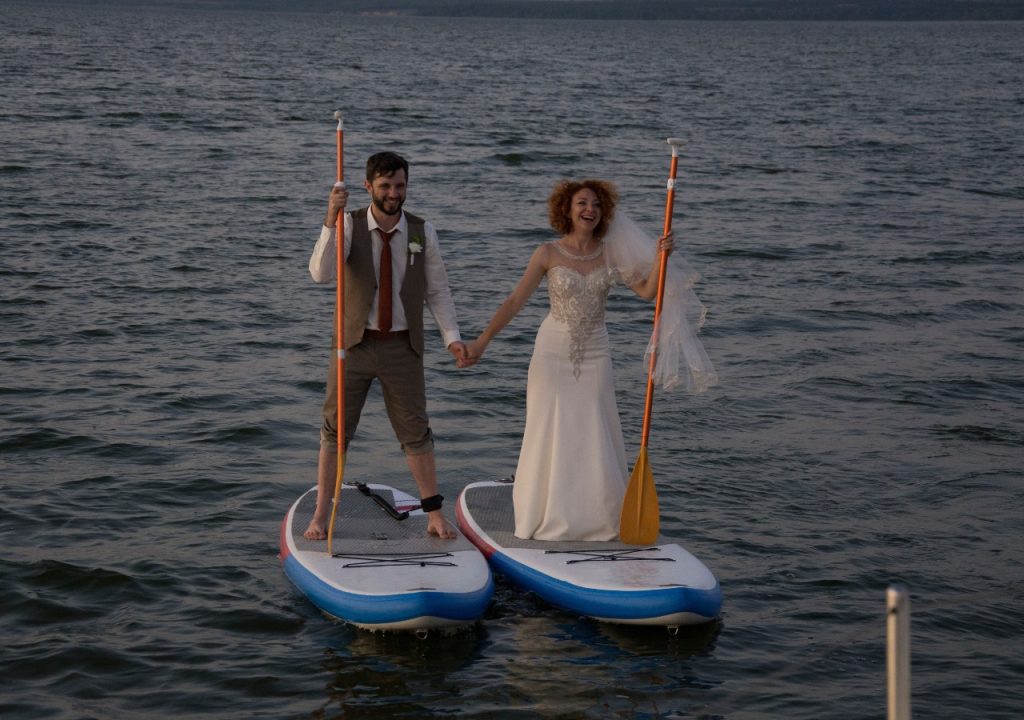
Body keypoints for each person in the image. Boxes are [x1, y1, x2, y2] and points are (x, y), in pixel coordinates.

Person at [464, 179, 717, 541]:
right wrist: (482, 342)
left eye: (596, 205)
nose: (590, 210)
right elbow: (514, 302)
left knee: (594, 427)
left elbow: (647, 293)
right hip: (551, 352)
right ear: (566, 209)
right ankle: (542, 515)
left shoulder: (611, 253)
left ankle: (597, 519)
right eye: (582, 203)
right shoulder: (547, 253)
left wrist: (661, 259)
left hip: (596, 350)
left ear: (604, 213)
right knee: (548, 427)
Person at [305, 151, 470, 541]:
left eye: (399, 186)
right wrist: (330, 219)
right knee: (335, 432)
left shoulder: (421, 231)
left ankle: (433, 513)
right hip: (353, 345)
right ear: (368, 187)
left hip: (402, 346)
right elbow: (321, 274)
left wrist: (452, 338)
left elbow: (438, 291)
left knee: (416, 432)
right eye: (385, 186)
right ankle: (320, 514)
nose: (393, 193)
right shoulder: (348, 224)